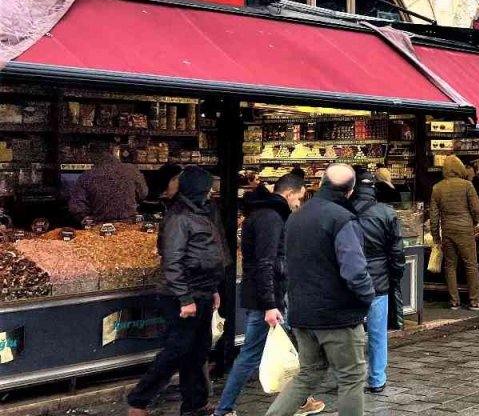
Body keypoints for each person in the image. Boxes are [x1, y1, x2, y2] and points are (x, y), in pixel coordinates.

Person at [265, 164, 375, 416]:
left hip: (302, 311)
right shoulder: (342, 219)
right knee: (351, 377)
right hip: (337, 315)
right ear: (350, 190)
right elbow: (355, 271)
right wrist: (367, 297)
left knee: (308, 374)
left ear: (322, 183)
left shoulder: (296, 216)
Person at [216, 175, 324, 416]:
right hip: (266, 299)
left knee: (283, 346)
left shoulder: (266, 214)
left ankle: (299, 400)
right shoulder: (271, 218)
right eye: (299, 197)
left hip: (270, 296)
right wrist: (269, 305)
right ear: (288, 194)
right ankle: (224, 410)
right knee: (251, 355)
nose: (300, 203)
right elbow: (265, 263)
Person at [127, 167, 227, 416]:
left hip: (202, 291)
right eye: (208, 187)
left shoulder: (202, 213)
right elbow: (172, 260)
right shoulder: (179, 217)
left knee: (198, 350)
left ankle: (195, 405)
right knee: (178, 349)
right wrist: (185, 299)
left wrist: (212, 289)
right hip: (181, 296)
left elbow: (208, 254)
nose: (211, 191)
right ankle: (138, 401)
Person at [353, 168, 407, 393]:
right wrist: (394, 275)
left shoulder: (341, 211)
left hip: (349, 279)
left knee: (348, 332)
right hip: (378, 280)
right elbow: (397, 252)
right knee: (377, 332)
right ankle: (376, 378)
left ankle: (348, 377)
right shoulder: (386, 213)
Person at [430, 156, 479, 310]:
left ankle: (454, 300)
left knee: (450, 266)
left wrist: (436, 236)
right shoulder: (467, 185)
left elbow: (434, 216)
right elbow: (476, 209)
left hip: (447, 230)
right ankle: (475, 300)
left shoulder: (437, 188)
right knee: (470, 265)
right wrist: (474, 222)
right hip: (465, 230)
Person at [69, 144, 148, 223]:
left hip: (99, 227)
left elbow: (77, 206)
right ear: (113, 151)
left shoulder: (87, 175)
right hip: (130, 225)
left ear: (93, 155)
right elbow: (143, 194)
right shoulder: (132, 170)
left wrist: (86, 218)